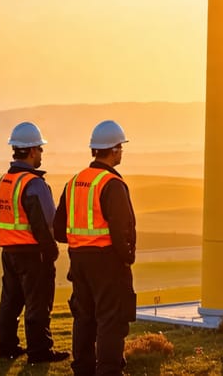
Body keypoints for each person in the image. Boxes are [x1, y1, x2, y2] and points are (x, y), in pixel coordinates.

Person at [54, 120, 137, 376]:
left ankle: (83, 369)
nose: (122, 151)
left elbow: (58, 230)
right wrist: (127, 258)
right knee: (111, 319)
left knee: (84, 317)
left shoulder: (74, 182)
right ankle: (110, 371)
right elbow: (122, 229)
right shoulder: (112, 184)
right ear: (113, 150)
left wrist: (81, 243)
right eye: (120, 147)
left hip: (78, 261)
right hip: (107, 262)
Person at [0, 122, 70, 364]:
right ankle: (40, 352)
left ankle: (7, 347)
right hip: (33, 254)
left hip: (9, 251)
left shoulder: (3, 182)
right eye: (40, 148)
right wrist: (52, 252)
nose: (41, 153)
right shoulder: (33, 184)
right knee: (38, 305)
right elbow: (47, 222)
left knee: (10, 302)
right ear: (31, 150)